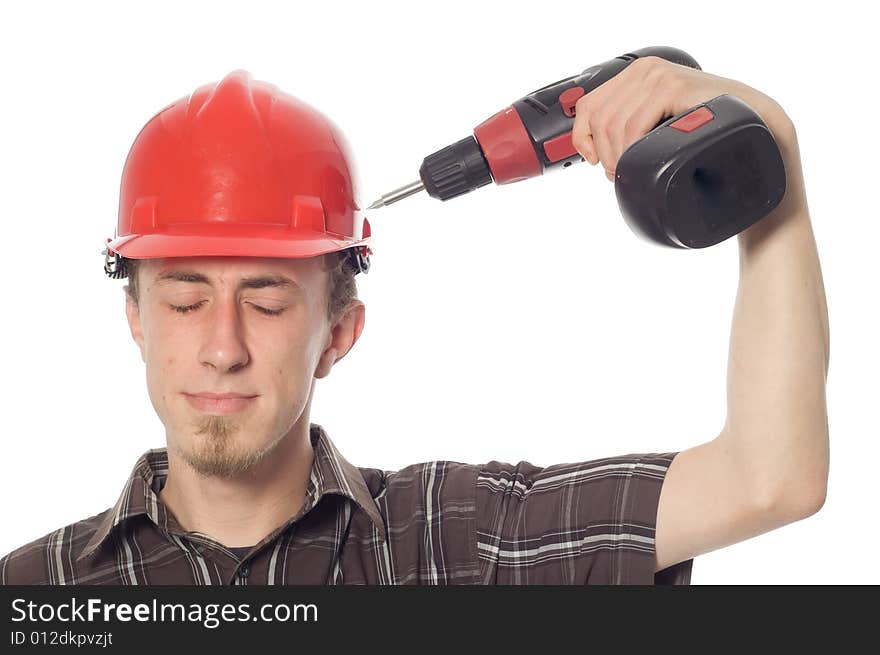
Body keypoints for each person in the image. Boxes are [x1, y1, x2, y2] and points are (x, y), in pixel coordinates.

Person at [0, 62, 829, 585]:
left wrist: (769, 149)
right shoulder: (37, 592)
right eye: (185, 301)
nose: (222, 347)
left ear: (340, 330)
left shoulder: (456, 541)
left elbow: (770, 478)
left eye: (266, 299)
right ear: (135, 321)